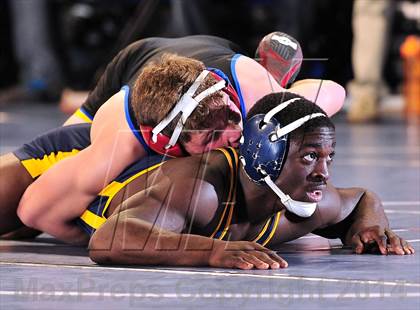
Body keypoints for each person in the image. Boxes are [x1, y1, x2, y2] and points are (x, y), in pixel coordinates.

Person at [1, 92, 413, 269]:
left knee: (21, 228)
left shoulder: (307, 202)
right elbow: (110, 239)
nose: (324, 172)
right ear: (265, 155)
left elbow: (361, 199)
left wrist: (370, 228)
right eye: (310, 157)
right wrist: (214, 251)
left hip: (122, 185)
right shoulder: (202, 188)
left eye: (329, 157)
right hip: (73, 162)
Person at [17, 35, 346, 244]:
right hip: (135, 65)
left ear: (229, 99)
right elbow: (34, 212)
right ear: (167, 144)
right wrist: (86, 231)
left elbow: (335, 91)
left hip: (219, 57)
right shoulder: (123, 137)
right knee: (67, 145)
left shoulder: (247, 89)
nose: (234, 136)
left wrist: (291, 109)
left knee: (288, 110)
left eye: (231, 118)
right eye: (212, 137)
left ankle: (278, 77)